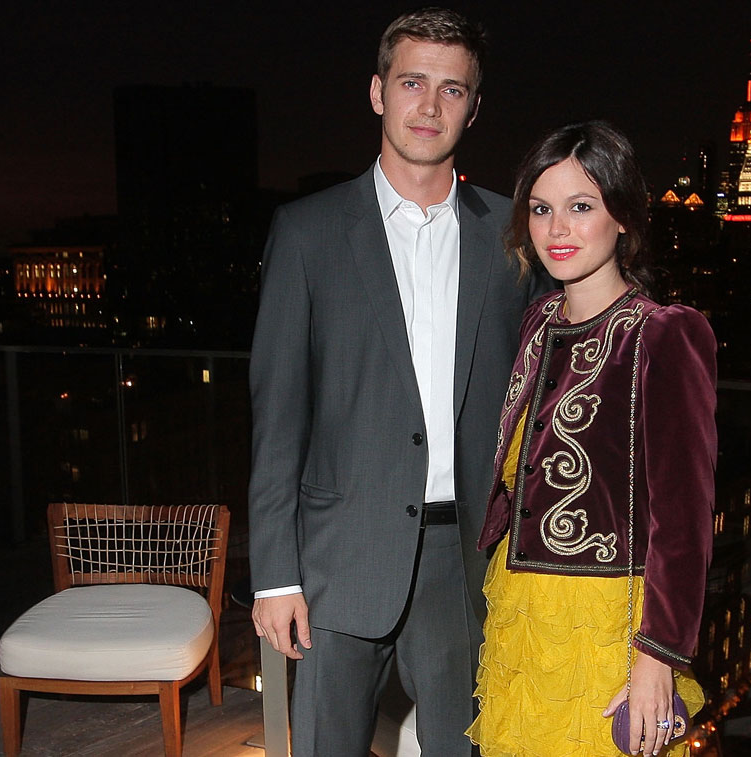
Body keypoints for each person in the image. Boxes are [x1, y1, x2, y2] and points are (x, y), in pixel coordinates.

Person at [247, 8, 548, 755]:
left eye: (453, 89)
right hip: (337, 556)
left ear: (473, 108)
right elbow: (278, 414)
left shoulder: (513, 235)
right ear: (379, 92)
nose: (430, 105)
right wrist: (275, 575)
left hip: (463, 558)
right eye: (413, 83)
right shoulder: (308, 231)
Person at [467, 121, 717, 756]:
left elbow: (684, 517)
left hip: (608, 622)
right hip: (523, 610)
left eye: (581, 207)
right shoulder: (538, 321)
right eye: (541, 209)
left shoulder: (662, 334)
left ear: (623, 217)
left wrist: (658, 655)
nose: (557, 229)